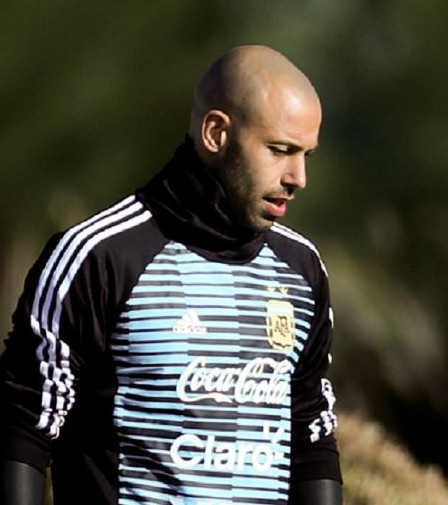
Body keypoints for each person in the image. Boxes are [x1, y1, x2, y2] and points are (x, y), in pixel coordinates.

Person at [0, 45, 342, 505]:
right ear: (217, 133)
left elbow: (313, 441)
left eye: (307, 155)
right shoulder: (99, 255)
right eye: (280, 150)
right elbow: (23, 427)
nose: (298, 176)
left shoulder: (302, 269)